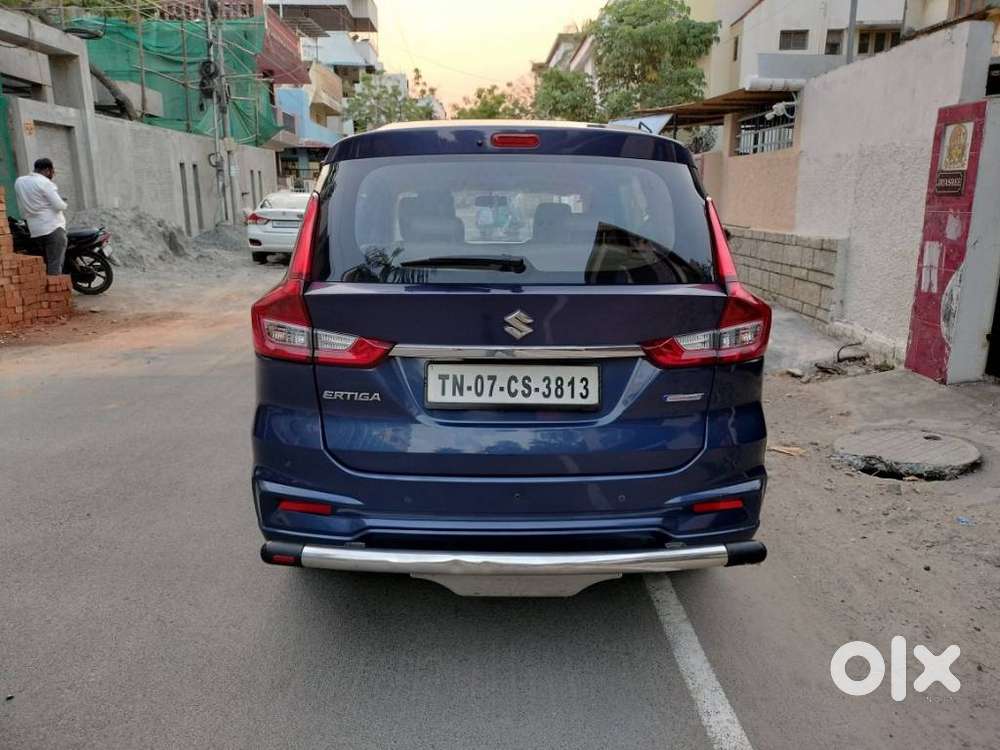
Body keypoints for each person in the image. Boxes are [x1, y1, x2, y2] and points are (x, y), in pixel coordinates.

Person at [14, 158, 68, 275]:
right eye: (53, 171)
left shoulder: (19, 181)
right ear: (48, 170)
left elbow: (33, 199)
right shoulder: (46, 183)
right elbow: (59, 206)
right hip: (53, 229)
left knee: (44, 265)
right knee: (54, 265)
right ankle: (55, 291)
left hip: (35, 230)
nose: (53, 174)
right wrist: (64, 203)